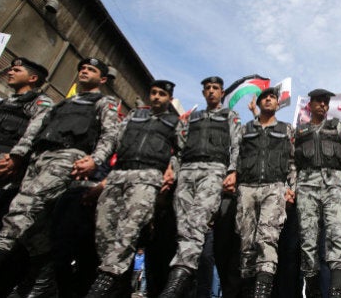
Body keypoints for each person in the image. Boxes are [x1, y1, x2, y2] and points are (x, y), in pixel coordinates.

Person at [0, 57, 118, 297]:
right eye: (83, 68)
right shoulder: (61, 104)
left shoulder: (104, 102)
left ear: (103, 79)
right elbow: (33, 131)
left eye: (91, 69)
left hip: (68, 158)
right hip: (38, 159)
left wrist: (95, 159)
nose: (85, 71)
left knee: (20, 211)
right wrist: (18, 156)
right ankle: (43, 283)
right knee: (37, 231)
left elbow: (110, 135)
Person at [87, 80, 181, 296]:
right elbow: (114, 143)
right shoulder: (134, 116)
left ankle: (99, 289)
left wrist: (172, 170)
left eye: (162, 94)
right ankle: (117, 286)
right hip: (118, 176)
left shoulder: (175, 123)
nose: (157, 97)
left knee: (128, 232)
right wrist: (100, 173)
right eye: (154, 93)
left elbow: (181, 152)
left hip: (148, 178)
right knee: (104, 232)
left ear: (169, 98)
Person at [160, 76, 241, 297]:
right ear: (203, 93)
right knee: (183, 227)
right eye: (208, 88)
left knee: (197, 223)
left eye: (216, 88)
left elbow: (236, 146)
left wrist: (232, 171)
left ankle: (175, 284)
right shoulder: (191, 119)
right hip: (186, 172)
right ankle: (190, 286)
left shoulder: (229, 116)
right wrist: (171, 169)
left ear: (222, 93)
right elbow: (179, 148)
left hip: (213, 172)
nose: (212, 91)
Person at [293, 88, 341, 297]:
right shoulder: (300, 132)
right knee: (308, 240)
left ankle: (339, 289)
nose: (323, 105)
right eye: (319, 101)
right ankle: (312, 290)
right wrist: (291, 187)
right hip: (306, 188)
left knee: (337, 234)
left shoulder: (337, 126)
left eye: (326, 102)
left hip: (334, 186)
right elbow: (293, 164)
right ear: (310, 105)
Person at [234, 88, 295, 297]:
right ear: (258, 104)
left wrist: (291, 188)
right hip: (246, 189)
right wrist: (231, 174)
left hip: (274, 187)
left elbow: (293, 161)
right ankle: (248, 289)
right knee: (246, 243)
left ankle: (262, 293)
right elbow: (235, 154)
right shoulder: (245, 129)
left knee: (266, 238)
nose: (269, 99)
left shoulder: (287, 129)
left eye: (272, 97)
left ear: (278, 104)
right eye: (264, 97)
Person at [0, 58, 52, 199]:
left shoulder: (40, 103)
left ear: (32, 78)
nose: (10, 72)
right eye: (11, 69)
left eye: (17, 70)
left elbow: (36, 130)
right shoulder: (1, 103)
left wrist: (17, 156)